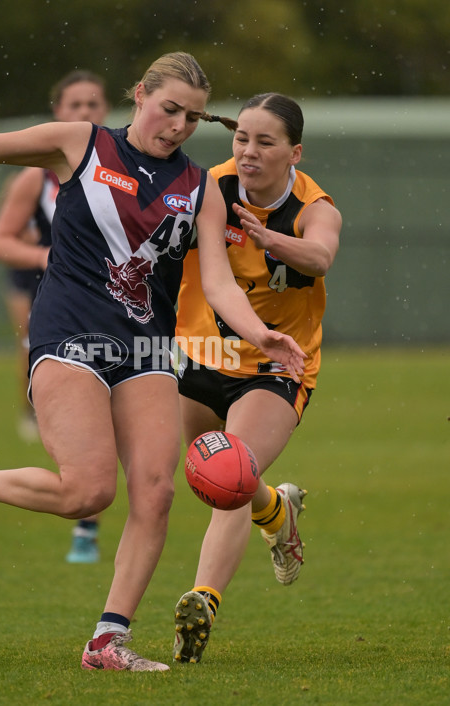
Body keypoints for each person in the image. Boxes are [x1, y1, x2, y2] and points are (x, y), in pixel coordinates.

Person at [0, 54, 306, 672]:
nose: (179, 126)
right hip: (69, 340)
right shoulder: (81, 144)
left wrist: (261, 333)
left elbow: (217, 283)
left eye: (192, 118)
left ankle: (107, 641)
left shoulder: (199, 189)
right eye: (169, 109)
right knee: (87, 492)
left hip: (145, 352)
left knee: (157, 493)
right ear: (139, 95)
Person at [171, 92, 342, 664]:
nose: (248, 151)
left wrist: (271, 240)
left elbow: (319, 258)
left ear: (294, 151)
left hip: (275, 367)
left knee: (231, 473)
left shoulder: (315, 206)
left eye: (265, 142)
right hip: (199, 355)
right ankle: (277, 511)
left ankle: (202, 601)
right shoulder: (209, 187)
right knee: (207, 478)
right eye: (241, 137)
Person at [0, 70, 109, 564]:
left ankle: (87, 524)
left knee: (115, 404)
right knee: (44, 373)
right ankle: (33, 418)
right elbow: (0, 242)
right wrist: (45, 258)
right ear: (57, 111)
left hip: (109, 301)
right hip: (48, 292)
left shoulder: (122, 169)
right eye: (75, 105)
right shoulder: (33, 176)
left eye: (94, 104)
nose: (85, 113)